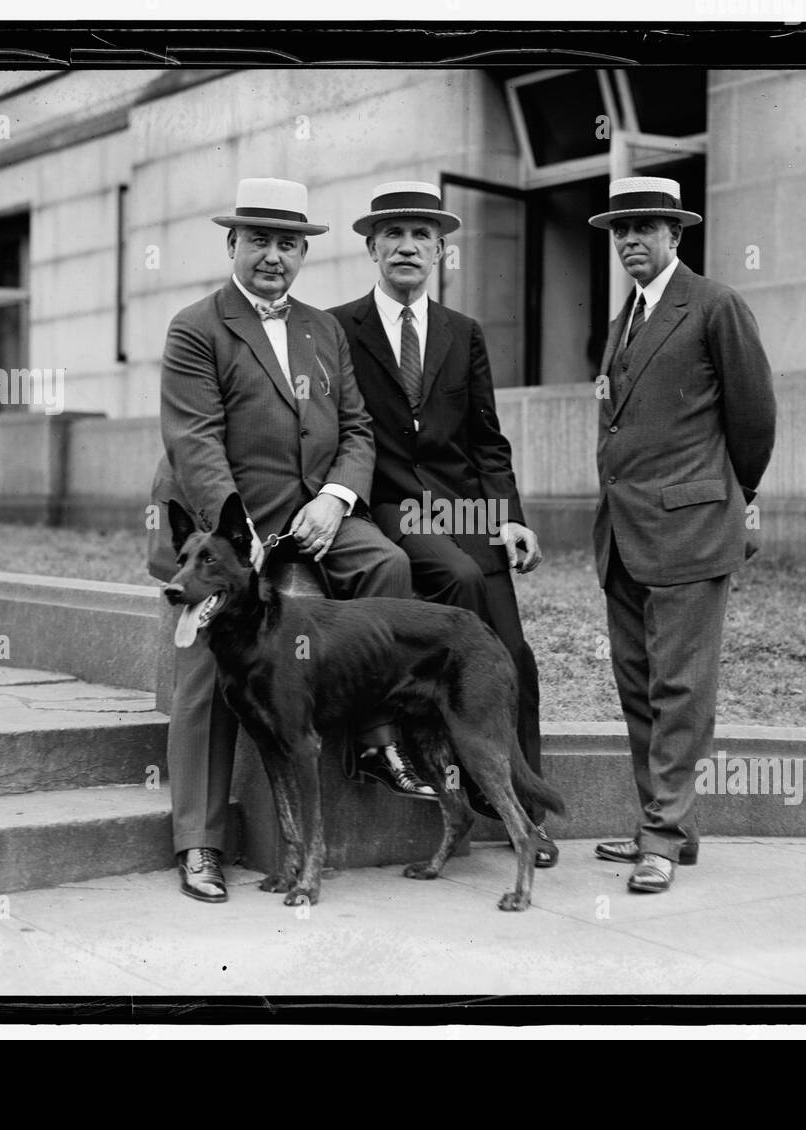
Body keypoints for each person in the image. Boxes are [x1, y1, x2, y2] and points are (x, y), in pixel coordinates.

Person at [146, 177, 432, 905]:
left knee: (390, 565)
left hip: (314, 518)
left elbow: (358, 428)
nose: (274, 256)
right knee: (211, 667)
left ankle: (374, 739)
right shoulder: (196, 327)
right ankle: (200, 844)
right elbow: (196, 444)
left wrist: (337, 501)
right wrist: (239, 544)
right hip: (228, 528)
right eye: (260, 241)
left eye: (288, 243)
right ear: (232, 245)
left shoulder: (321, 328)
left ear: (303, 252)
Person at [328, 181, 558, 868]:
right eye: (393, 234)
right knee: (459, 581)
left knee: (512, 647)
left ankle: (524, 806)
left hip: (466, 507)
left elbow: (487, 441)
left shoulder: (465, 332)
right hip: (393, 504)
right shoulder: (340, 328)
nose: (407, 246)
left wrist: (510, 520)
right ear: (371, 247)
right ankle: (468, 774)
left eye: (421, 235)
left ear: (440, 250)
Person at [589, 177, 776, 893]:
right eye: (619, 231)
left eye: (644, 227)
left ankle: (661, 835)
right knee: (639, 686)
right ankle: (665, 826)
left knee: (681, 688)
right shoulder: (626, 316)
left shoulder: (716, 305)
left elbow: (753, 418)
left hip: (690, 531)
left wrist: (734, 500)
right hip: (625, 534)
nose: (630, 240)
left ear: (676, 234)